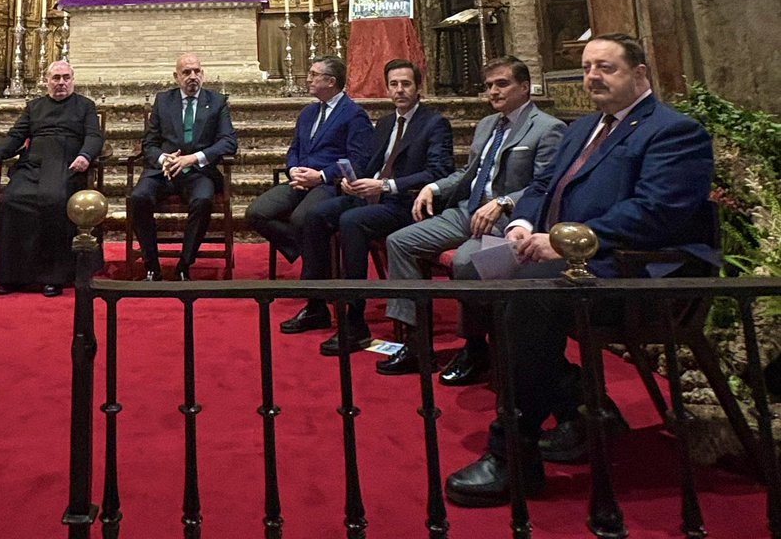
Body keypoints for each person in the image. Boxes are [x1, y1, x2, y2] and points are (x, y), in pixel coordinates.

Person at [444, 34, 717, 507]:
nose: (593, 76)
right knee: (479, 279)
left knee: (528, 297)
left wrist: (565, 241)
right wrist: (524, 225)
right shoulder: (583, 128)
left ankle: (513, 452)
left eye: (606, 68)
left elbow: (656, 213)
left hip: (638, 272)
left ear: (639, 74)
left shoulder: (672, 131)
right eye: (588, 67)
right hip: (578, 263)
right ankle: (579, 410)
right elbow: (544, 183)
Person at [376, 56, 565, 379]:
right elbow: (469, 172)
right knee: (400, 241)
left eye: (502, 84)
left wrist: (504, 202)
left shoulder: (547, 128)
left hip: (509, 219)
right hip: (468, 209)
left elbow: (545, 186)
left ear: (524, 86)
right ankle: (416, 341)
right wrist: (433, 187)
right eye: (489, 85)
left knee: (466, 261)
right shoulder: (487, 124)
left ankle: (476, 347)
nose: (494, 91)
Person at [290, 60, 453, 354]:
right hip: (371, 194)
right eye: (393, 84)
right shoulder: (388, 122)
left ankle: (355, 321)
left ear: (418, 88)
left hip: (406, 202)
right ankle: (316, 304)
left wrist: (385, 186)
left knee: (352, 222)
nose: (399, 90)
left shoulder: (434, 123)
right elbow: (369, 164)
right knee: (315, 215)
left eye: (406, 84)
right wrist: (350, 181)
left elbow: (439, 172)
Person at [246, 55, 375, 303]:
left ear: (331, 81)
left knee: (301, 218)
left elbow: (358, 160)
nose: (308, 79)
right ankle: (312, 253)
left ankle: (314, 284)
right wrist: (293, 169)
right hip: (299, 180)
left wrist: (322, 175)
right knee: (256, 212)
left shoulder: (353, 114)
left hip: (330, 184)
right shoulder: (308, 113)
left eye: (314, 75)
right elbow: (294, 149)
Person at [0, 60, 102, 296]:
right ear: (46, 81)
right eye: (56, 78)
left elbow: (94, 136)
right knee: (12, 200)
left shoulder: (85, 105)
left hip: (67, 165)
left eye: (66, 78)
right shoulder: (34, 106)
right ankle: (12, 275)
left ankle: (53, 276)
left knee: (54, 201)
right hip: (32, 164)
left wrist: (85, 156)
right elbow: (16, 136)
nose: (61, 83)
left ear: (73, 80)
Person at [130, 52, 238, 281]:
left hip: (198, 172)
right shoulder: (163, 100)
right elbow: (149, 143)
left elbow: (229, 142)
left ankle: (184, 264)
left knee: (202, 200)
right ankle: (152, 266)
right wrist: (163, 159)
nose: (192, 77)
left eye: (197, 71)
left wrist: (194, 158)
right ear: (176, 76)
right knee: (138, 197)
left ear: (203, 74)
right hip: (164, 171)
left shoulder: (217, 102)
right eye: (186, 72)